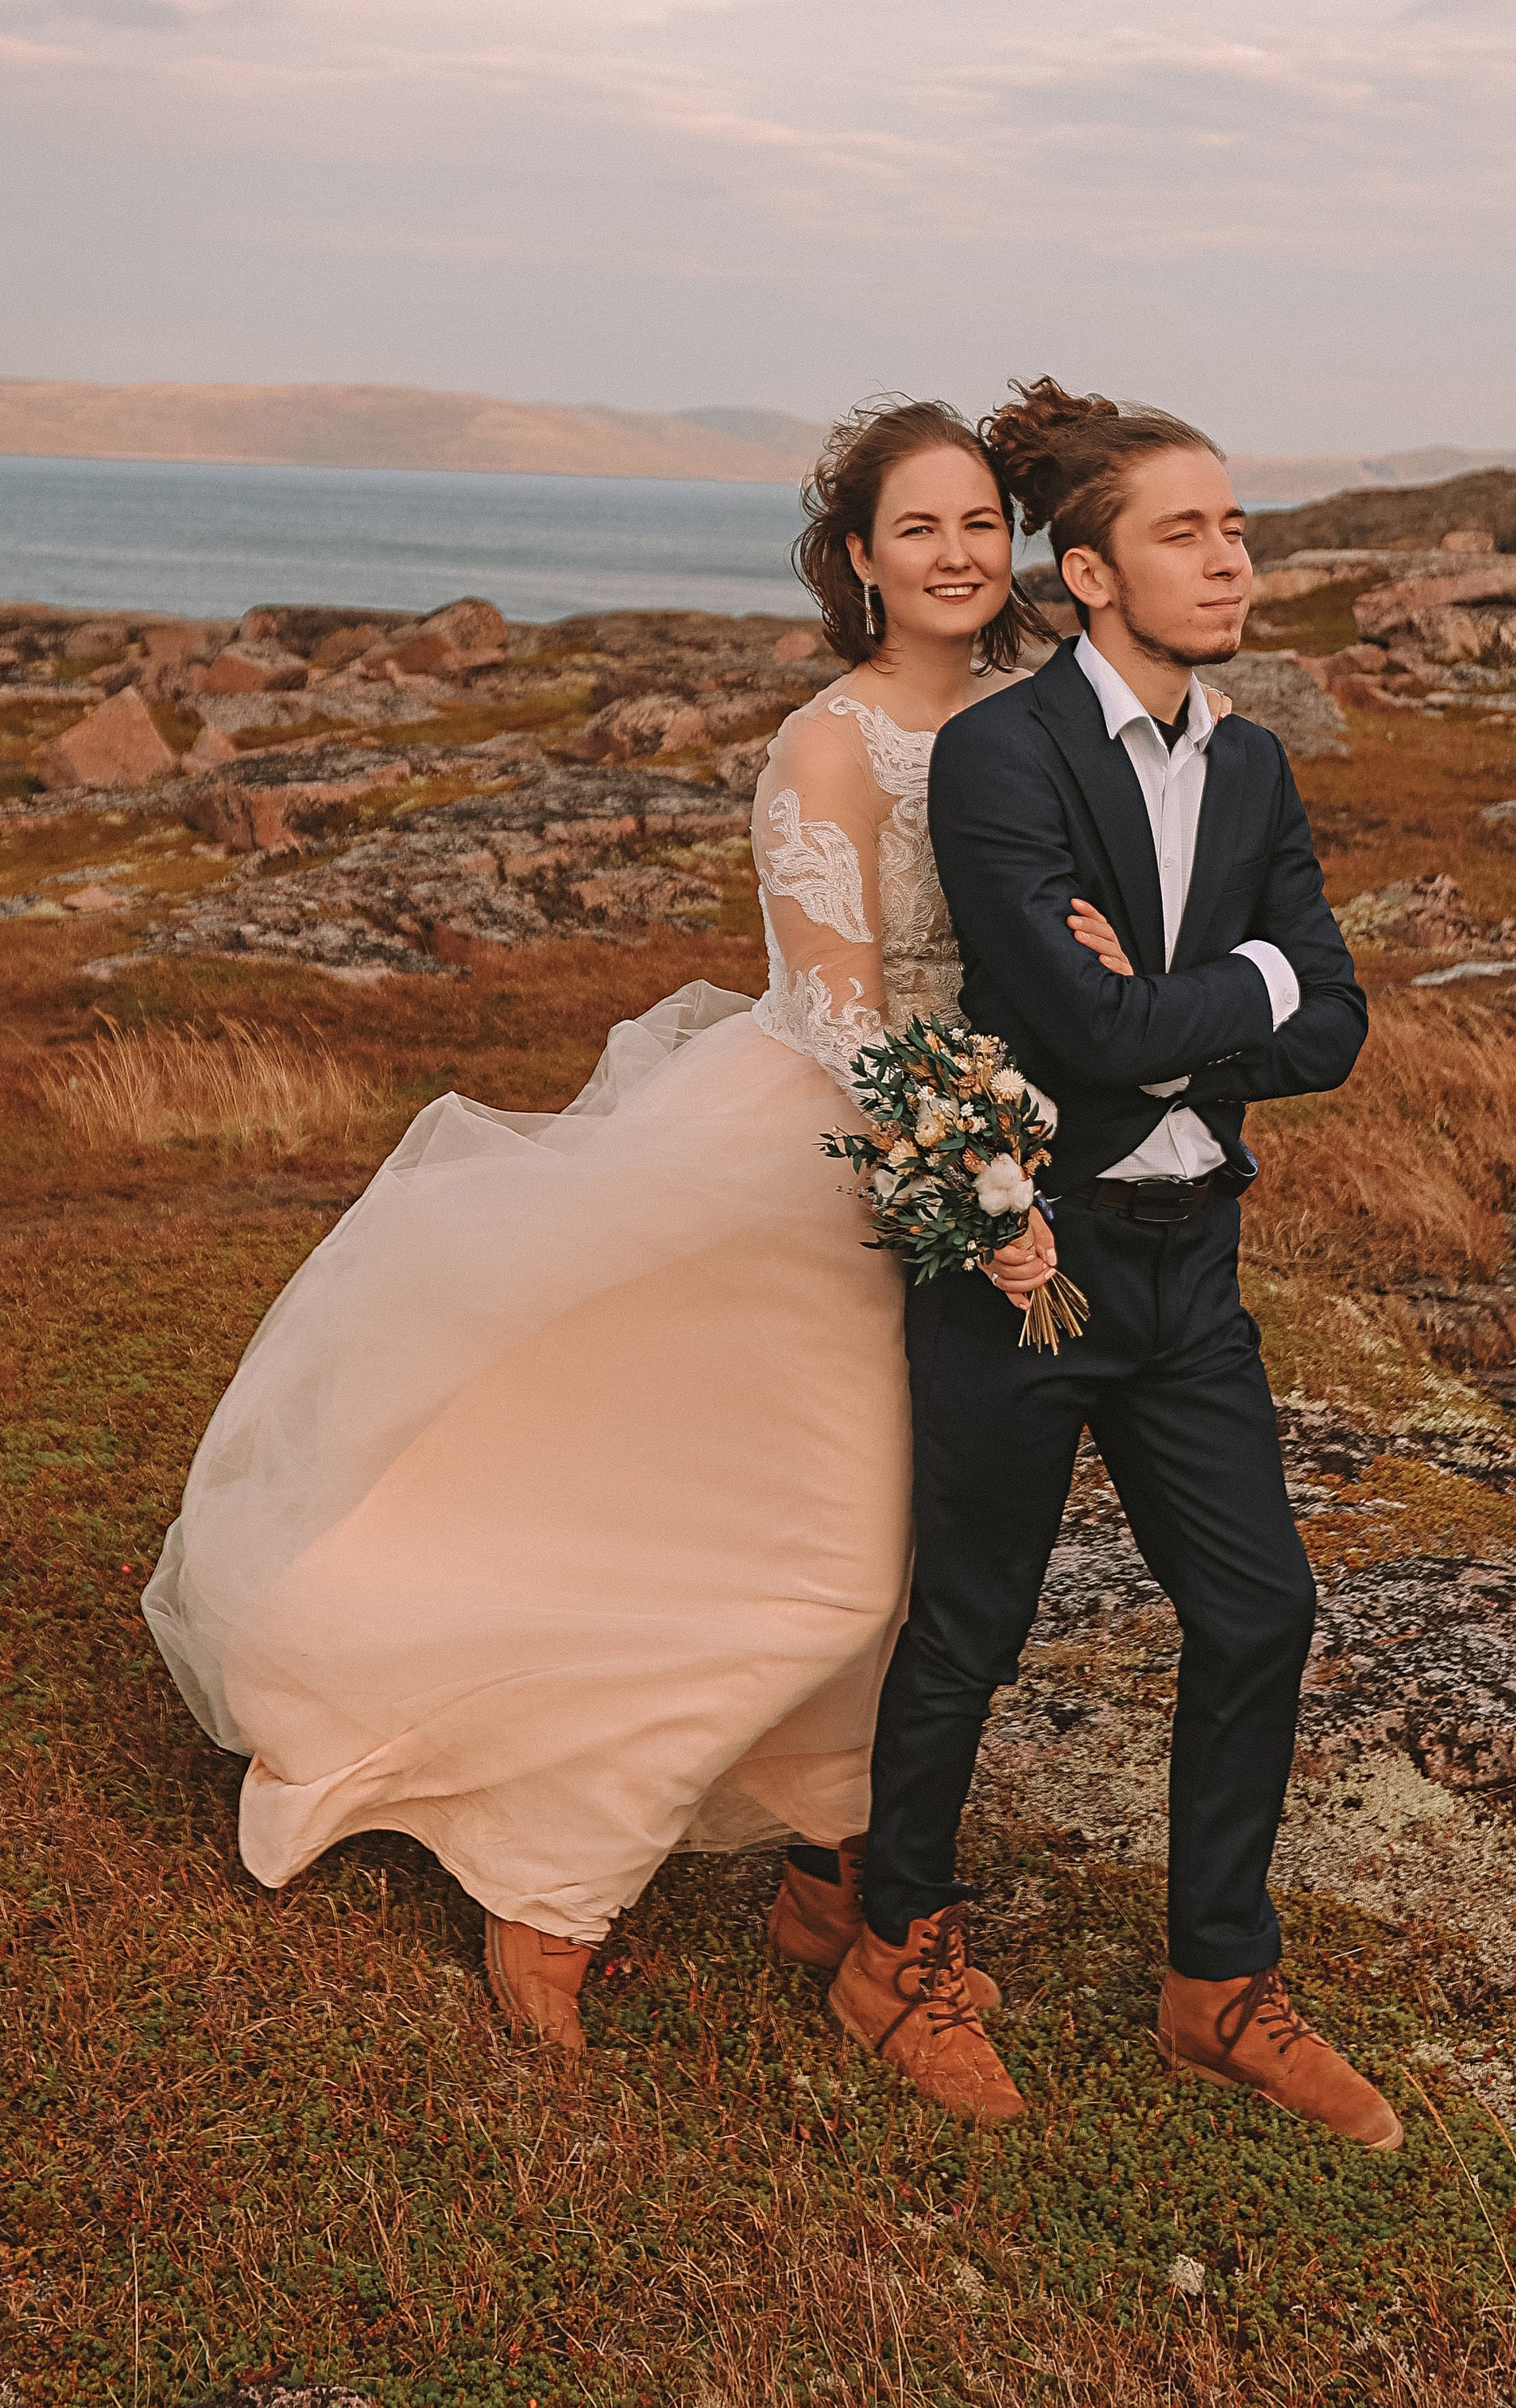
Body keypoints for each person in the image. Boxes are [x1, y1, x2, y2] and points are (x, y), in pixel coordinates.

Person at [142, 400, 1062, 2052]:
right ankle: (545, 1889)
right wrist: (977, 1163)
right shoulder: (829, 746)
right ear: (857, 558)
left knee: (910, 1552)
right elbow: (849, 1014)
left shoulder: (1029, 716)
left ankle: (835, 1869)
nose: (952, 555)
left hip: (963, 1160)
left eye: (979, 523)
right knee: (829, 1570)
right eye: (914, 528)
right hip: (820, 1162)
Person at [828, 378, 1402, 2151]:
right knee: (972, 1626)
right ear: (1085, 573)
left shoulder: (1256, 761)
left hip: (1188, 1270)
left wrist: (1180, 1010)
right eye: (1186, 532)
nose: (1230, 559)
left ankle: (1214, 1985)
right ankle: (889, 1954)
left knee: (1259, 1612)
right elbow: (1073, 1029)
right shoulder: (1002, 755)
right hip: (1022, 1259)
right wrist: (1241, 991)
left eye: (1235, 528)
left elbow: (1344, 1025)